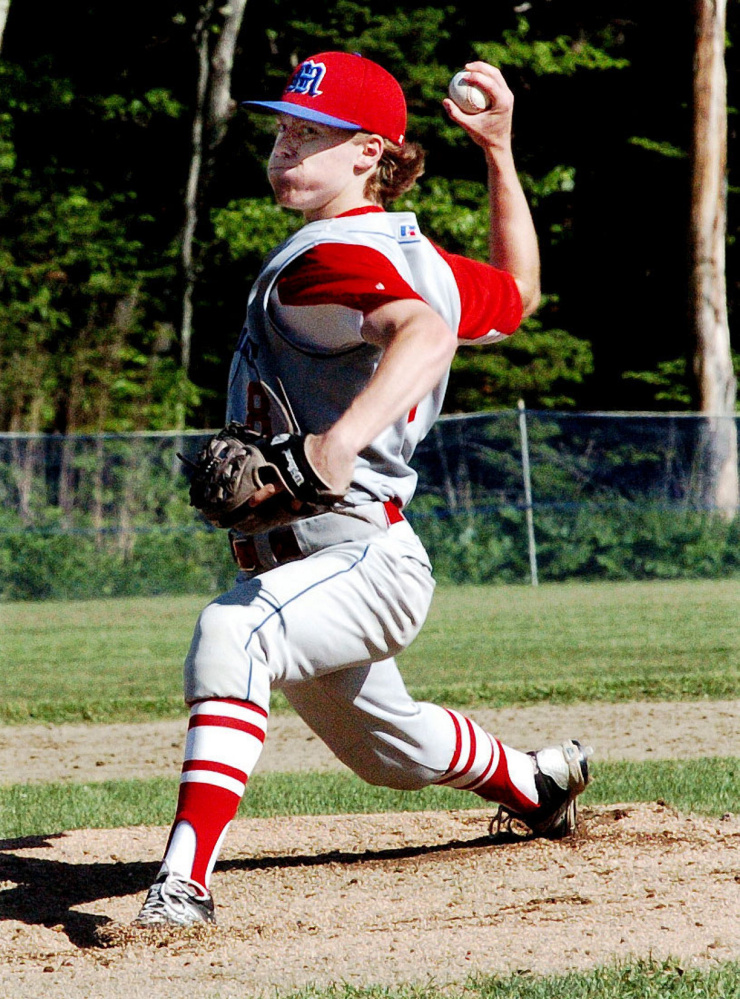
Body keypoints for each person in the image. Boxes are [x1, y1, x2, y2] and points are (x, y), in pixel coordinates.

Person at [132, 51, 592, 928]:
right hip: (325, 562)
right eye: (281, 128)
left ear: (369, 154)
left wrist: (337, 442)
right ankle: (537, 780)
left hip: (360, 553)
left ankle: (180, 883)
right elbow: (522, 292)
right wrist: (498, 151)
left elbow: (421, 334)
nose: (284, 147)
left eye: (313, 134)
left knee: (233, 634)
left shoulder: (327, 262)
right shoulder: (411, 253)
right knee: (391, 746)